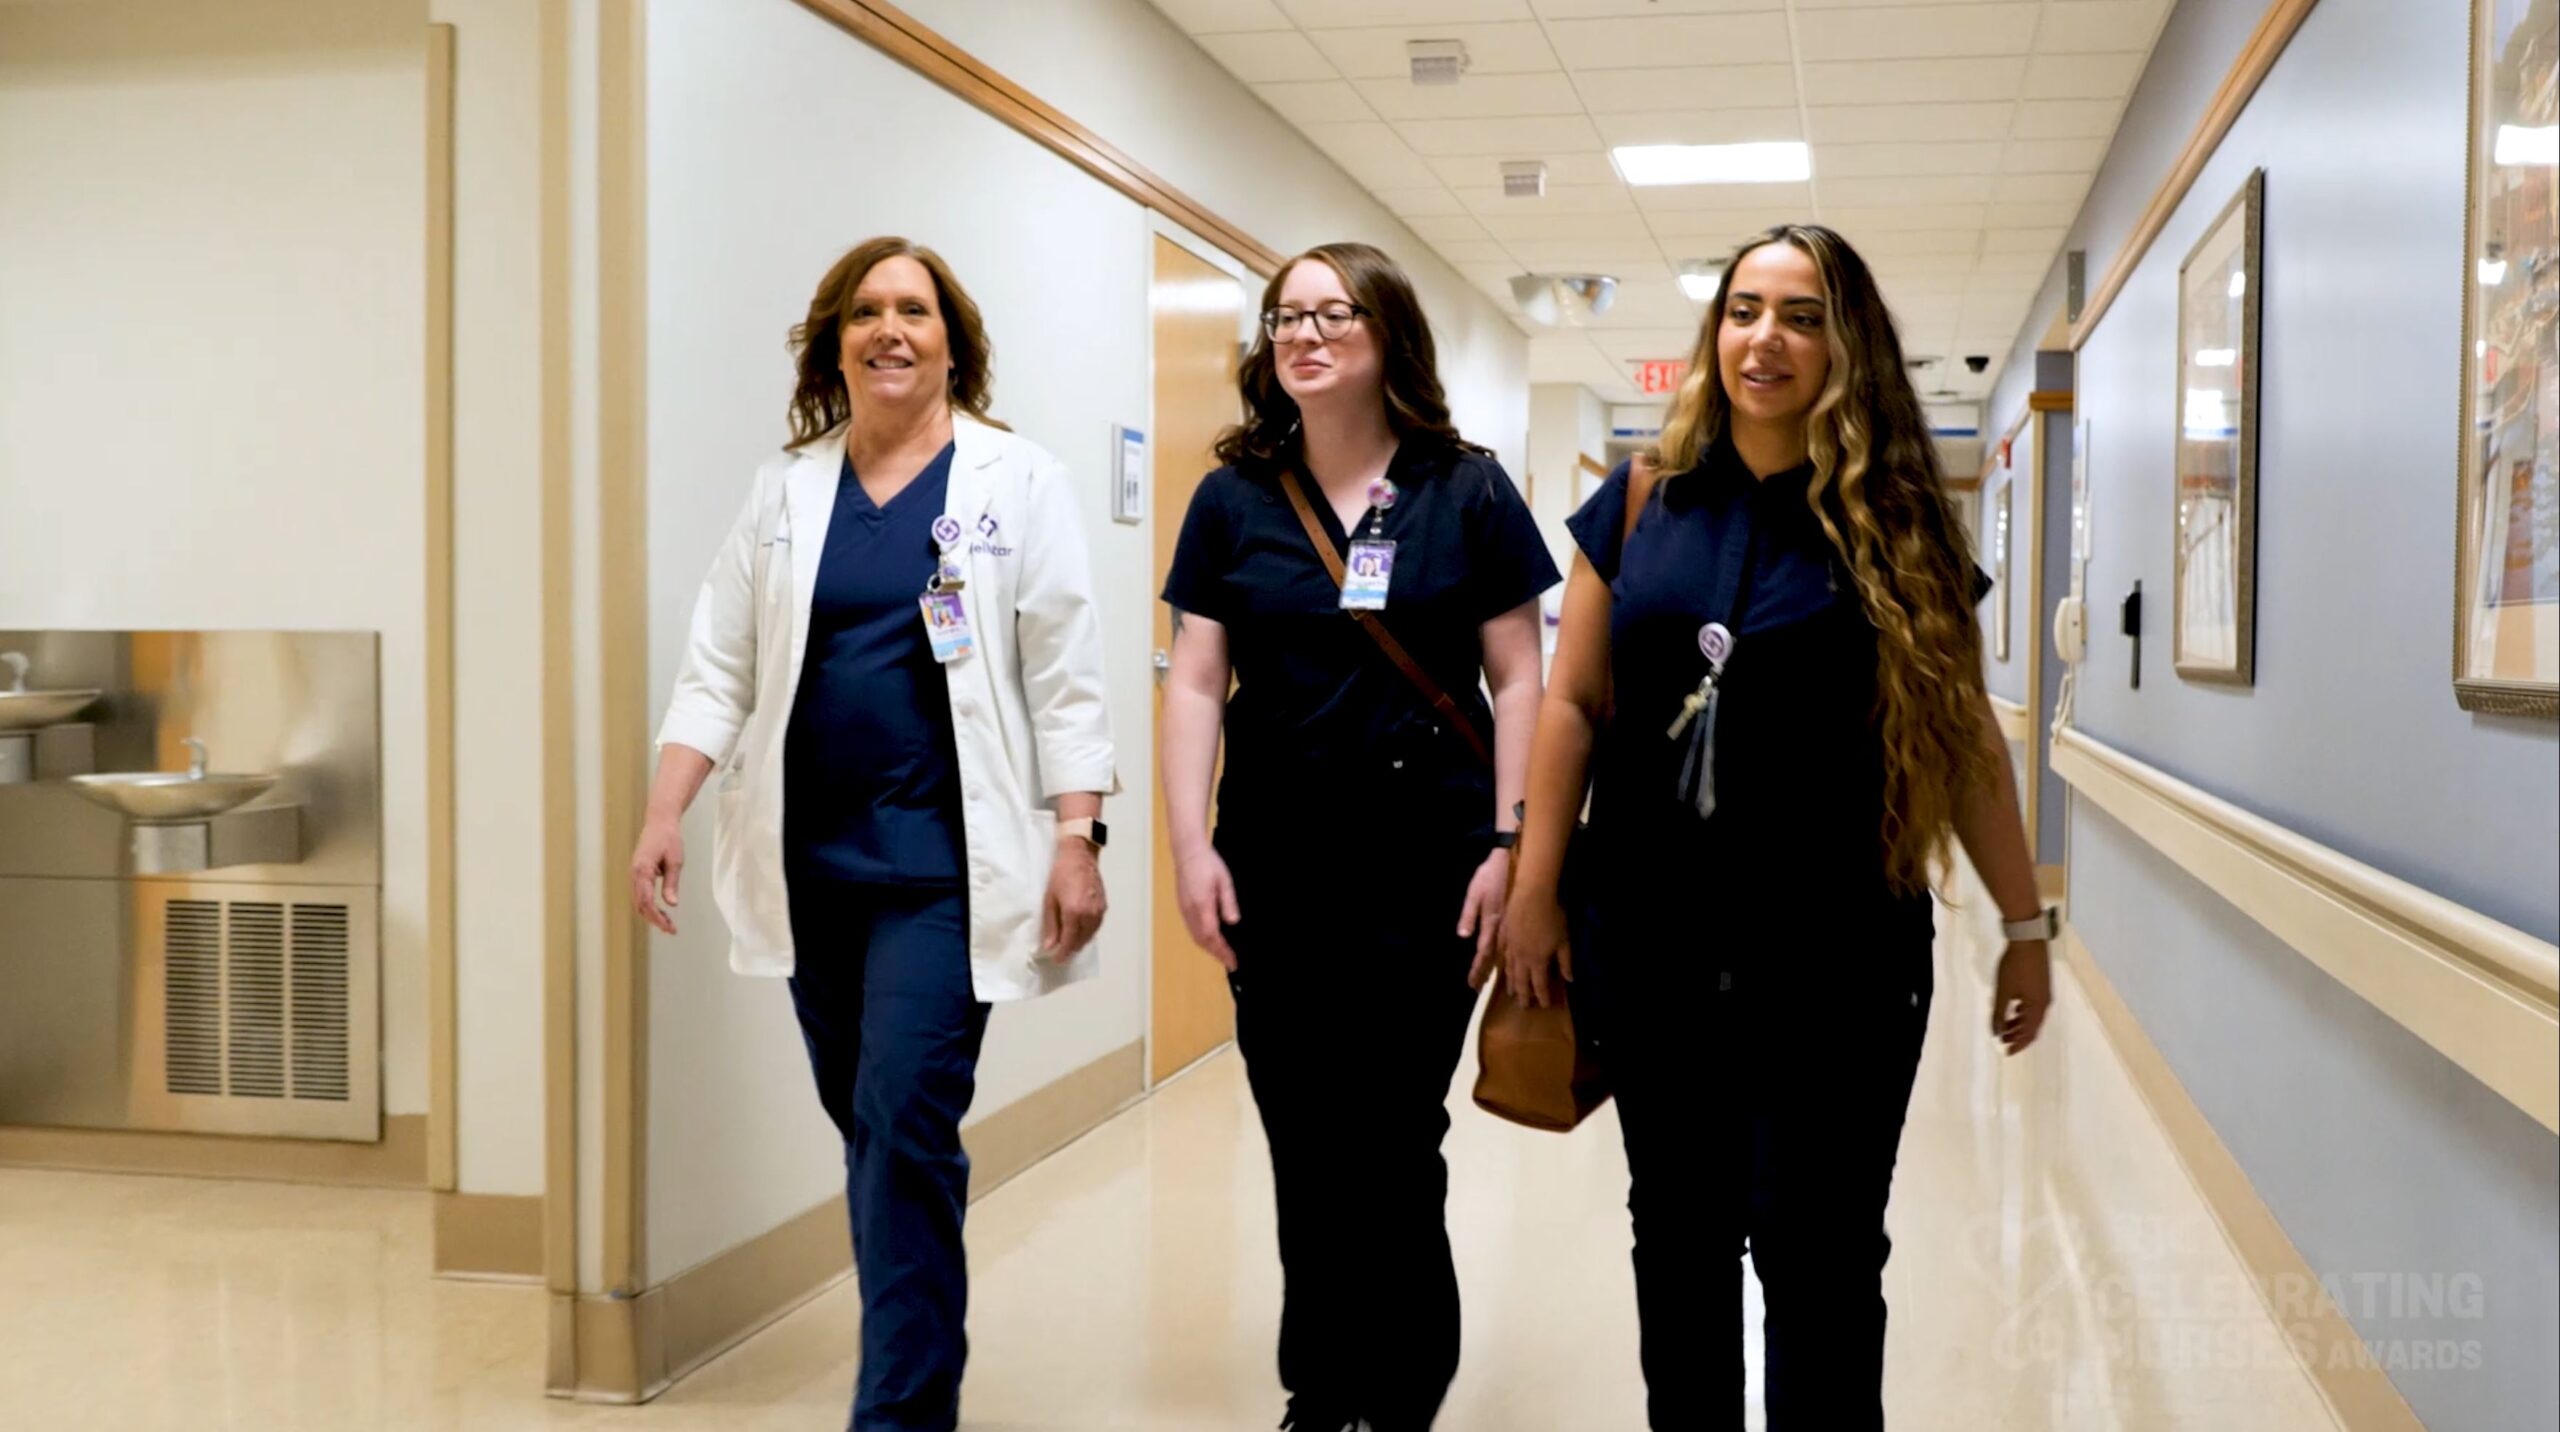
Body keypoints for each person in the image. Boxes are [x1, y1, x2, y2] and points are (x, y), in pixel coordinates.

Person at [1497, 223, 2056, 1430]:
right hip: (1652, 951)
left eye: (1800, 316)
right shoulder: (1641, 502)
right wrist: (1536, 886)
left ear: (1844, 345)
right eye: (1744, 309)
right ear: (1715, 334)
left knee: (1821, 1265)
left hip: (1839, 963)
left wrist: (2025, 923)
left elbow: (1966, 751)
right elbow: (1575, 702)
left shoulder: (1902, 530)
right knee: (1679, 1251)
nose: (1765, 338)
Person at [629, 237, 1116, 1432]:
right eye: (864, 311)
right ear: (833, 341)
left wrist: (1076, 836)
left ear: (954, 340)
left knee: (900, 1114)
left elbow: (1066, 676)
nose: (888, 329)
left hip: (946, 877)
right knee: (879, 1132)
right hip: (811, 872)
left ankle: (897, 1411)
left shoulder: (1016, 482)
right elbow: (719, 665)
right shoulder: (785, 489)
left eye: (914, 309)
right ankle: (919, 1341)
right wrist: (663, 810)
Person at [1158, 242, 1559, 1432]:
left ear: (1387, 335)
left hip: (1429, 863)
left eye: (1332, 313)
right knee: (1301, 1129)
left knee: (1392, 1127)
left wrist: (1510, 842)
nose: (1304, 333)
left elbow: (1520, 676)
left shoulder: (1466, 489)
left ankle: (1400, 1383)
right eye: (1284, 316)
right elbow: (1194, 681)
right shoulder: (1231, 499)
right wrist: (1190, 847)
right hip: (1274, 860)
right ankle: (1319, 1381)